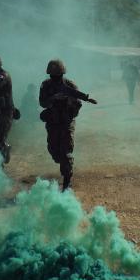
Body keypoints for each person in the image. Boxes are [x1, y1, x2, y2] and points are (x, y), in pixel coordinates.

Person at [39, 59, 97, 191]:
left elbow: (78, 103)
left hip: (66, 122)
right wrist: (53, 99)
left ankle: (67, 181)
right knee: (54, 151)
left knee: (66, 152)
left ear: (62, 74)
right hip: (53, 122)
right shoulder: (45, 85)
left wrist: (68, 101)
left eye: (57, 75)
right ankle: (64, 165)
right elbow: (42, 102)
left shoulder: (69, 85)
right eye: (52, 75)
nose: (55, 78)